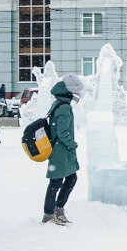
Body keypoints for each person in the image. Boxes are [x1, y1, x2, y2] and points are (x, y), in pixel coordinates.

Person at [42, 74, 84, 225]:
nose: (80, 93)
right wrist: (72, 144)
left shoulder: (59, 103)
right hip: (61, 151)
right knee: (57, 182)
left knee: (67, 179)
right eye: (78, 90)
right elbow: (62, 132)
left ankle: (57, 209)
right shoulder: (64, 107)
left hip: (60, 150)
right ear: (71, 91)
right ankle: (49, 213)